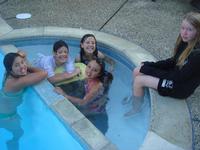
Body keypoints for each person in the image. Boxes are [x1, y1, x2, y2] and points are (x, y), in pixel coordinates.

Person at [124, 12, 200, 116]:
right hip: (175, 74)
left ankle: (136, 109)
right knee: (137, 70)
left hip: (181, 86)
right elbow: (173, 61)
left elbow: (179, 77)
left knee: (139, 80)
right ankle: (135, 95)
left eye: (189, 29)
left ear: (198, 32)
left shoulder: (197, 55)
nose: (184, 32)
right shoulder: (185, 40)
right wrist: (151, 65)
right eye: (182, 28)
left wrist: (149, 70)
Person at [0, 51, 47, 150]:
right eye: (17, 65)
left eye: (22, 62)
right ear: (11, 70)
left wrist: (21, 63)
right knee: (19, 132)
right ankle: (12, 143)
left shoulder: (6, 74)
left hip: (3, 112)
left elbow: (20, 53)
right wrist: (26, 67)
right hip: (6, 117)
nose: (21, 66)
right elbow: (44, 73)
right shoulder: (17, 82)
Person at [55, 58, 113, 134]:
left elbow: (83, 102)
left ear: (99, 74)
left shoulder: (96, 86)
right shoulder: (89, 78)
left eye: (95, 70)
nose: (89, 71)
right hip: (92, 102)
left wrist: (64, 94)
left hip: (94, 111)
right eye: (89, 67)